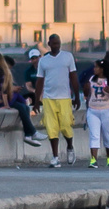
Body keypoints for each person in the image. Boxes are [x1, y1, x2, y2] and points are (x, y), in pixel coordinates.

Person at [33, 34, 79, 168]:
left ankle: (70, 147)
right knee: (51, 128)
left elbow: (73, 77)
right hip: (48, 98)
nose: (56, 46)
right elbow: (39, 82)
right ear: (49, 44)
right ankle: (55, 157)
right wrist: (37, 101)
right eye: (54, 43)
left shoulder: (68, 57)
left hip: (64, 97)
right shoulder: (44, 61)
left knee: (65, 125)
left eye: (58, 43)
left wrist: (76, 95)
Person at [0, 51, 41, 146]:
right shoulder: (4, 73)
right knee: (18, 98)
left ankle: (30, 134)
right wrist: (6, 104)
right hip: (0, 102)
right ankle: (31, 133)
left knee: (22, 107)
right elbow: (4, 90)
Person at [84, 59, 109, 168]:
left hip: (107, 110)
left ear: (102, 69)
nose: (94, 69)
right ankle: (93, 160)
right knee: (94, 135)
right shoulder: (92, 79)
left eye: (96, 67)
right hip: (93, 110)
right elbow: (88, 93)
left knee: (107, 135)